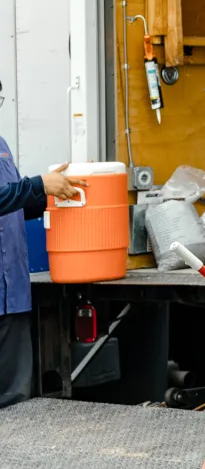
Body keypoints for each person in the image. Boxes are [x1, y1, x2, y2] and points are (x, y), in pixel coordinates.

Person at [0, 148, 83, 407]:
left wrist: (52, 192)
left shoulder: (2, 144)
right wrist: (38, 184)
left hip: (12, 292)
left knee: (17, 401)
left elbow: (12, 204)